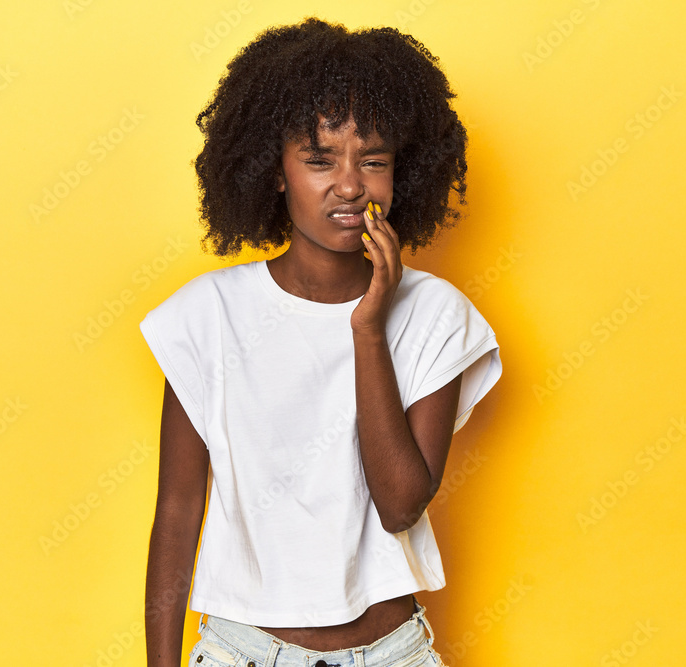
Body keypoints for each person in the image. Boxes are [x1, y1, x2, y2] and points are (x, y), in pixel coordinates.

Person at [139, 16, 502, 667]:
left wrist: (368, 329)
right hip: (243, 653)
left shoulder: (436, 317)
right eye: (319, 159)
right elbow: (178, 509)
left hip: (393, 653)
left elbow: (400, 504)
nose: (351, 185)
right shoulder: (207, 315)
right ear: (273, 170)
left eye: (374, 161)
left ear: (402, 172)